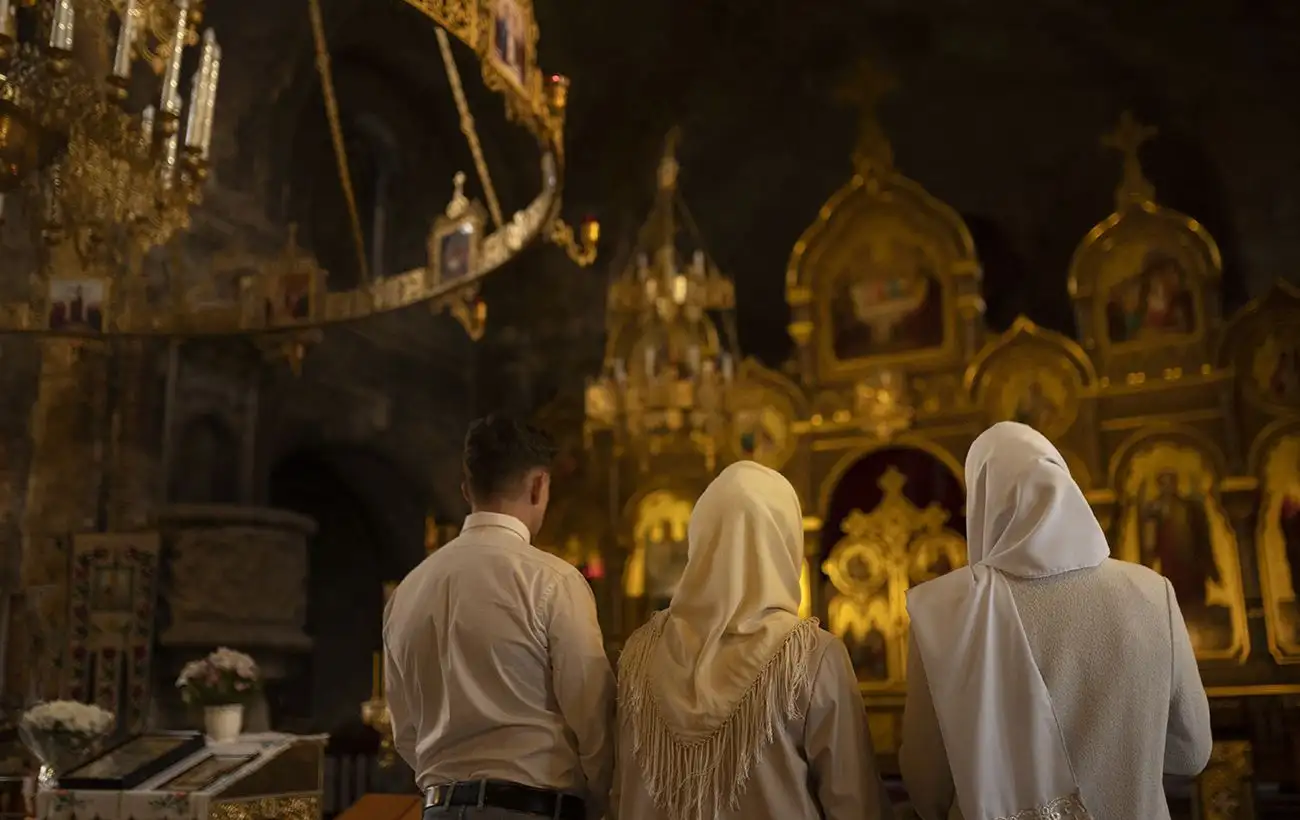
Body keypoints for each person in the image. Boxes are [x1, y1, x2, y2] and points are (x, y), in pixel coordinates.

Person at [900, 422, 1212, 820]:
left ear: (981, 498)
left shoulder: (943, 610)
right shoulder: (1152, 592)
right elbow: (1192, 753)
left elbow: (927, 784)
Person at [614, 461, 895, 820]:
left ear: (700, 538)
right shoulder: (811, 655)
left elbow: (620, 791)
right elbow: (855, 804)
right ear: (784, 540)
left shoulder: (639, 651)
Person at [383, 415, 615, 820]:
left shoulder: (408, 590)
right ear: (540, 484)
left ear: (466, 488)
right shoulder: (552, 581)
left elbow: (404, 731)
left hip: (439, 809)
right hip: (532, 810)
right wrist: (600, 801)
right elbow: (593, 721)